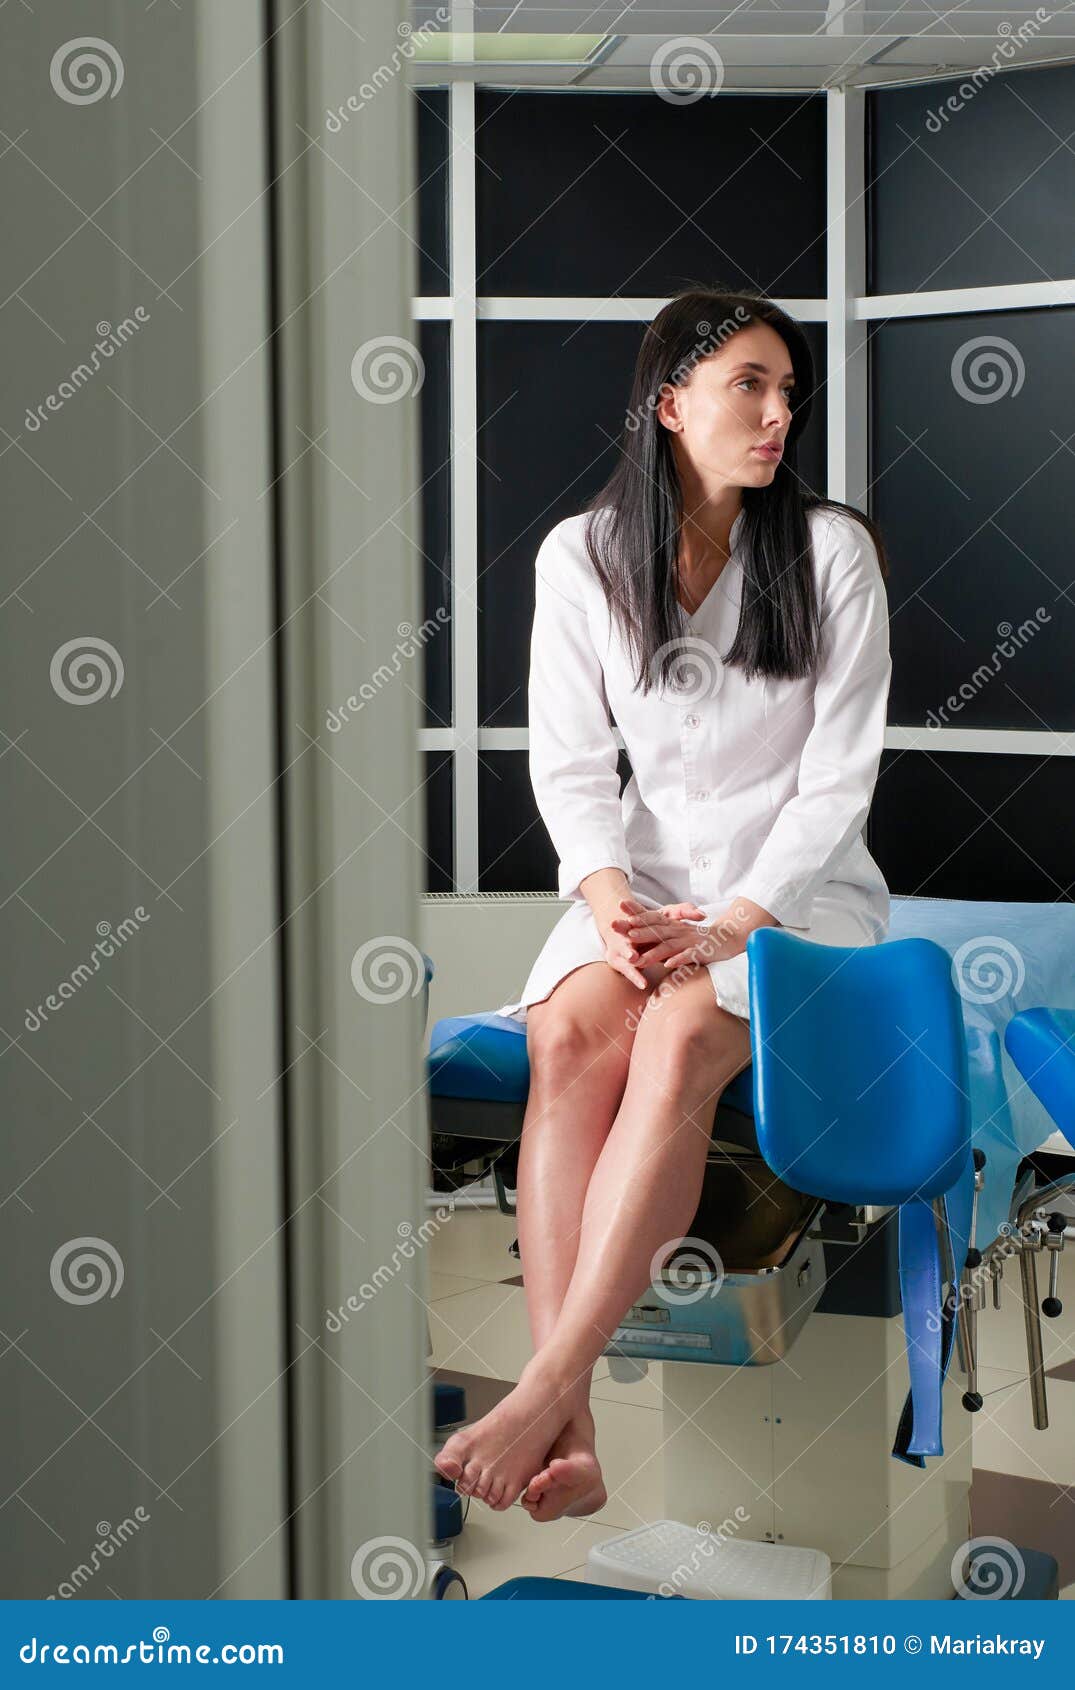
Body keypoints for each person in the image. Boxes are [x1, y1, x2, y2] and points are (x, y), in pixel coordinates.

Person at [433, 285, 893, 1523]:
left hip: (793, 898)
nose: (777, 411)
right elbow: (570, 765)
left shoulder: (832, 551)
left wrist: (734, 919)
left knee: (684, 1032)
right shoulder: (580, 556)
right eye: (749, 383)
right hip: (633, 882)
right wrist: (607, 897)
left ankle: (540, 1393)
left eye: (787, 390)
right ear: (668, 400)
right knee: (568, 1033)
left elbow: (838, 780)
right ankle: (568, 1420)